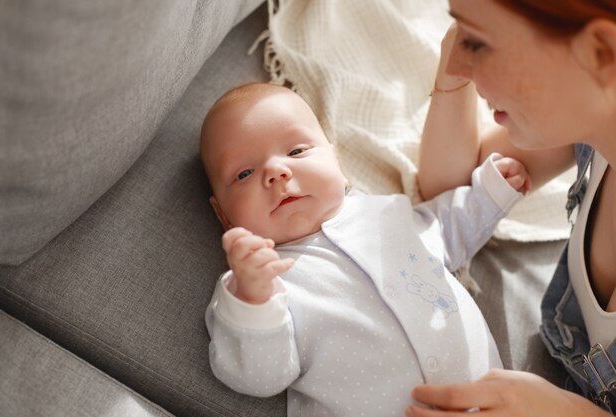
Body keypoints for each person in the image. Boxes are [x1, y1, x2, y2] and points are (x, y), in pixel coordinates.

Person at [200, 82, 530, 416]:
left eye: (297, 151)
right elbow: (260, 377)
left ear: (335, 158)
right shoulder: (257, 284)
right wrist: (254, 300)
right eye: (244, 173)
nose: (276, 172)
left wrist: (489, 195)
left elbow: (444, 229)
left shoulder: (386, 216)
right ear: (222, 214)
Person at [410, 1, 616, 416]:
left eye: (479, 43)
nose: (457, 62)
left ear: (599, 51)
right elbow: (452, 189)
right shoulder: (597, 117)